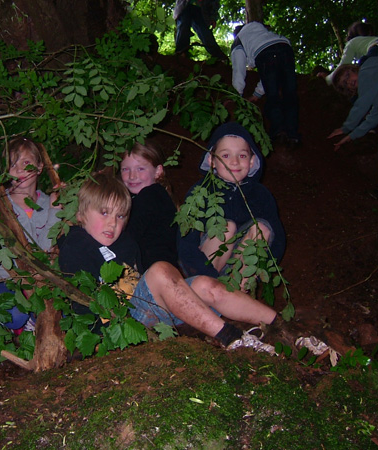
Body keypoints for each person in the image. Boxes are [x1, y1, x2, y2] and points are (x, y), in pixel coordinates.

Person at [58, 172, 280, 353]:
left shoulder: (126, 243)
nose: (112, 223)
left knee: (205, 284)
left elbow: (142, 282)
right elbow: (80, 306)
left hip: (145, 308)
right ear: (81, 214)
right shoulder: (76, 245)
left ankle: (280, 324)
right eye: (104, 212)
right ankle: (231, 338)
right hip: (118, 323)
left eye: (120, 216)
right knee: (160, 271)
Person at [177, 122, 286, 290]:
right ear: (212, 160)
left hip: (237, 268)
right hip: (203, 267)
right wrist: (205, 274)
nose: (234, 162)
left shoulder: (261, 194)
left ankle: (238, 292)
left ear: (251, 161)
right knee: (226, 227)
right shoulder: (200, 192)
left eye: (242, 156)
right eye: (226, 156)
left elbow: (278, 237)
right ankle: (211, 289)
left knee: (262, 229)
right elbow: (185, 241)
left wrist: (265, 267)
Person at [0, 137, 61, 330]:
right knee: (15, 315)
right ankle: (19, 321)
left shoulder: (48, 204)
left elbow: (44, 251)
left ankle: (32, 323)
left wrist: (55, 210)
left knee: (62, 308)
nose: (19, 170)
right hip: (3, 278)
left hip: (38, 278)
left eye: (26, 163)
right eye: (12, 164)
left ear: (40, 167)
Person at [327, 59, 378, 203]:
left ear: (354, 70)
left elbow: (362, 106)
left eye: (348, 76)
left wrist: (346, 127)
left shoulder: (367, 71)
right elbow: (373, 117)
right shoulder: (376, 91)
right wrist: (350, 136)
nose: (349, 82)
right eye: (345, 84)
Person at [231, 22, 300, 146]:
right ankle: (293, 135)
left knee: (273, 96)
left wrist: (237, 95)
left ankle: (278, 132)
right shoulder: (261, 34)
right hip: (285, 47)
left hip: (266, 53)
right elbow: (269, 77)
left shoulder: (238, 41)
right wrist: (257, 94)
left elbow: (238, 71)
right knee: (290, 94)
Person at [120, 141, 179, 270]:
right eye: (125, 169)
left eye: (140, 169)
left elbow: (127, 236)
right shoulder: (157, 195)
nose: (132, 176)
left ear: (158, 171)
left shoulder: (150, 195)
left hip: (153, 272)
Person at [319, 21, 378, 85]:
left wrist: (327, 80)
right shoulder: (375, 39)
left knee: (361, 73)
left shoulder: (352, 43)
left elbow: (343, 66)